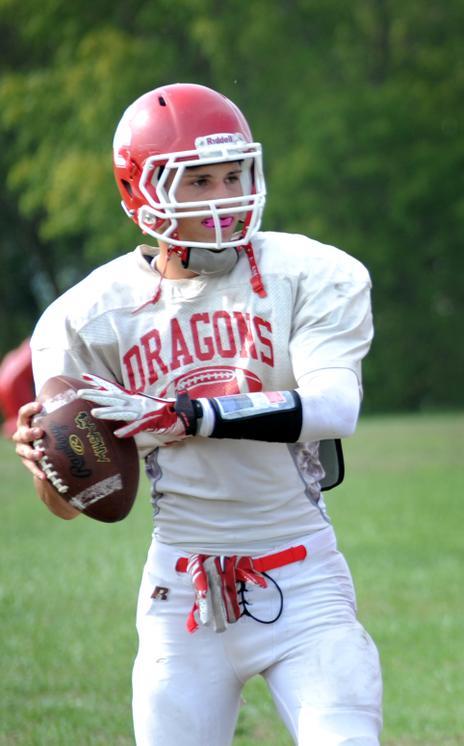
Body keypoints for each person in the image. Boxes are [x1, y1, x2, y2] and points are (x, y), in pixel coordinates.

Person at [11, 83, 383, 745]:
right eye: (199, 180)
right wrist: (52, 463)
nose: (223, 197)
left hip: (304, 578)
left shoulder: (309, 273)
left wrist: (186, 415)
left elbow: (335, 407)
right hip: (180, 597)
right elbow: (69, 506)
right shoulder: (87, 316)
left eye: (233, 175)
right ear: (141, 191)